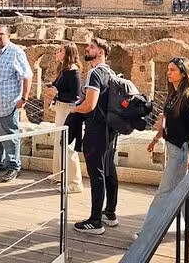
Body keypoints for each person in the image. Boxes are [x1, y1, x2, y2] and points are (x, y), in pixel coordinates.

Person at [134, 57, 189, 240]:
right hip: (173, 148)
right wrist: (156, 138)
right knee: (187, 187)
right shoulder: (173, 94)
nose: (168, 72)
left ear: (183, 73)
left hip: (181, 152)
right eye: (168, 69)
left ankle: (149, 230)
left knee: (165, 191)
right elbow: (168, 123)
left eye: (173, 70)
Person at [69, 38, 119, 234]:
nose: (87, 49)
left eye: (91, 47)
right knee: (109, 171)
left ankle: (95, 221)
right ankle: (110, 213)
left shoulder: (95, 72)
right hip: (110, 130)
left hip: (96, 130)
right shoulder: (111, 72)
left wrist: (74, 109)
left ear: (101, 52)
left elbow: (90, 104)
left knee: (97, 174)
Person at [0, 24, 33, 183]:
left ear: (8, 36)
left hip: (7, 104)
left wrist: (24, 98)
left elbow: (27, 75)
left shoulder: (16, 52)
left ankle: (13, 166)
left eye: (1, 34)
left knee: (10, 137)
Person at [48, 42, 83, 193]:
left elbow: (75, 95)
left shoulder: (73, 71)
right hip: (61, 109)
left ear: (68, 53)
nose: (57, 52)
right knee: (58, 142)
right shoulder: (64, 69)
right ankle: (59, 175)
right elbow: (59, 85)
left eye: (60, 50)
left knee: (67, 145)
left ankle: (75, 183)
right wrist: (53, 87)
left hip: (68, 110)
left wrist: (56, 92)